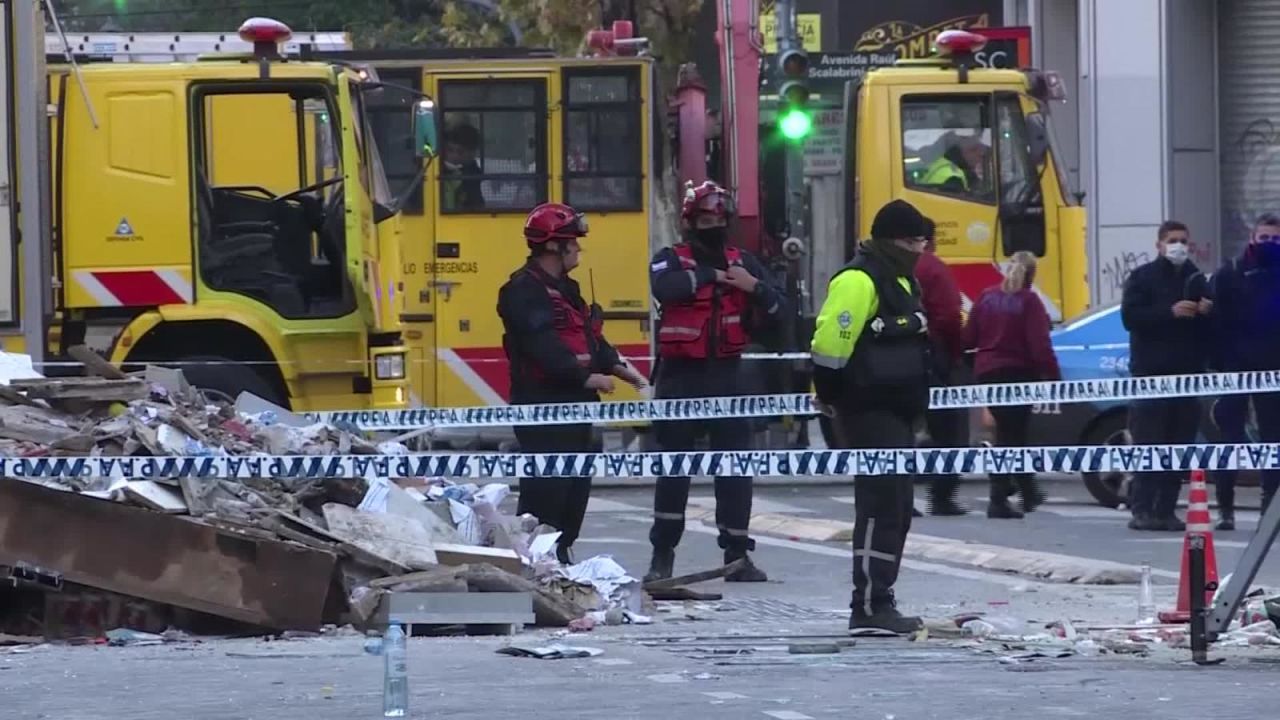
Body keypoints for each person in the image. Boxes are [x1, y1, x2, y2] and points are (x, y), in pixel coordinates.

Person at [644, 180, 786, 585]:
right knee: (674, 471)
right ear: (690, 222)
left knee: (736, 468)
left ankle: (737, 554)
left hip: (728, 377)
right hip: (679, 379)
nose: (714, 226)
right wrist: (710, 275)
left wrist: (752, 286)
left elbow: (781, 309)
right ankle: (662, 555)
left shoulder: (744, 262)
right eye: (706, 219)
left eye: (719, 219)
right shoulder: (670, 259)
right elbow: (665, 288)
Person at [498, 203, 647, 564]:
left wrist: (623, 370)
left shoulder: (568, 290)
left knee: (575, 488)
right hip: (543, 405)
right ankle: (533, 561)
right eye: (574, 244)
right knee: (547, 490)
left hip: (577, 405)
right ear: (554, 247)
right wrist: (585, 376)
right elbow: (542, 345)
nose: (579, 250)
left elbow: (590, 340)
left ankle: (561, 555)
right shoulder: (521, 291)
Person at [811, 199, 932, 634]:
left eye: (922, 241)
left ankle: (881, 597)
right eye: (913, 241)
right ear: (891, 240)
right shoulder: (859, 279)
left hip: (896, 409)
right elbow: (829, 344)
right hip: (866, 408)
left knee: (897, 507)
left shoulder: (900, 277)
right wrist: (829, 395)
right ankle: (867, 604)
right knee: (880, 505)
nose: (920, 248)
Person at [1121, 221, 1212, 532]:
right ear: (1159, 244)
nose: (1179, 246)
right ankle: (1142, 509)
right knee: (1150, 443)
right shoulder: (1143, 277)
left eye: (1184, 241)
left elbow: (1211, 326)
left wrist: (1207, 311)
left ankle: (1166, 510)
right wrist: (1169, 312)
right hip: (1152, 373)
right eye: (1172, 240)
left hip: (1187, 375)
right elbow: (1130, 318)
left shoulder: (1196, 277)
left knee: (1178, 445)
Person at [963, 251, 1060, 519]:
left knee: (1007, 434)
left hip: (988, 372)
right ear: (1032, 275)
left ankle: (1027, 491)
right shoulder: (1029, 301)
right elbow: (1040, 344)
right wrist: (1052, 376)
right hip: (1018, 373)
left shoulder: (986, 296)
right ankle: (1000, 497)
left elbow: (969, 336)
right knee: (1012, 436)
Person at [1210, 213, 1280, 518]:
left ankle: (1271, 506)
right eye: (1264, 238)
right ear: (1253, 238)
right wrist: (1219, 364)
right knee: (1230, 438)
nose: (1269, 244)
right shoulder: (1231, 272)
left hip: (1273, 370)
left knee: (1273, 440)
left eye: (1275, 239)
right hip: (1235, 368)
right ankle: (1225, 506)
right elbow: (1215, 321)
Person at [915, 217, 968, 516]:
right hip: (933, 357)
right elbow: (949, 316)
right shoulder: (933, 269)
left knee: (898, 433)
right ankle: (942, 495)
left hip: (892, 358)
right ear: (931, 240)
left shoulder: (884, 267)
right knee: (948, 431)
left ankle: (898, 497)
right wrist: (954, 355)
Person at [442, 122, 485, 211]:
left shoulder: (472, 176)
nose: (454, 156)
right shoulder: (430, 172)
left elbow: (477, 208)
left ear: (471, 153)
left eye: (460, 152)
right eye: (450, 150)